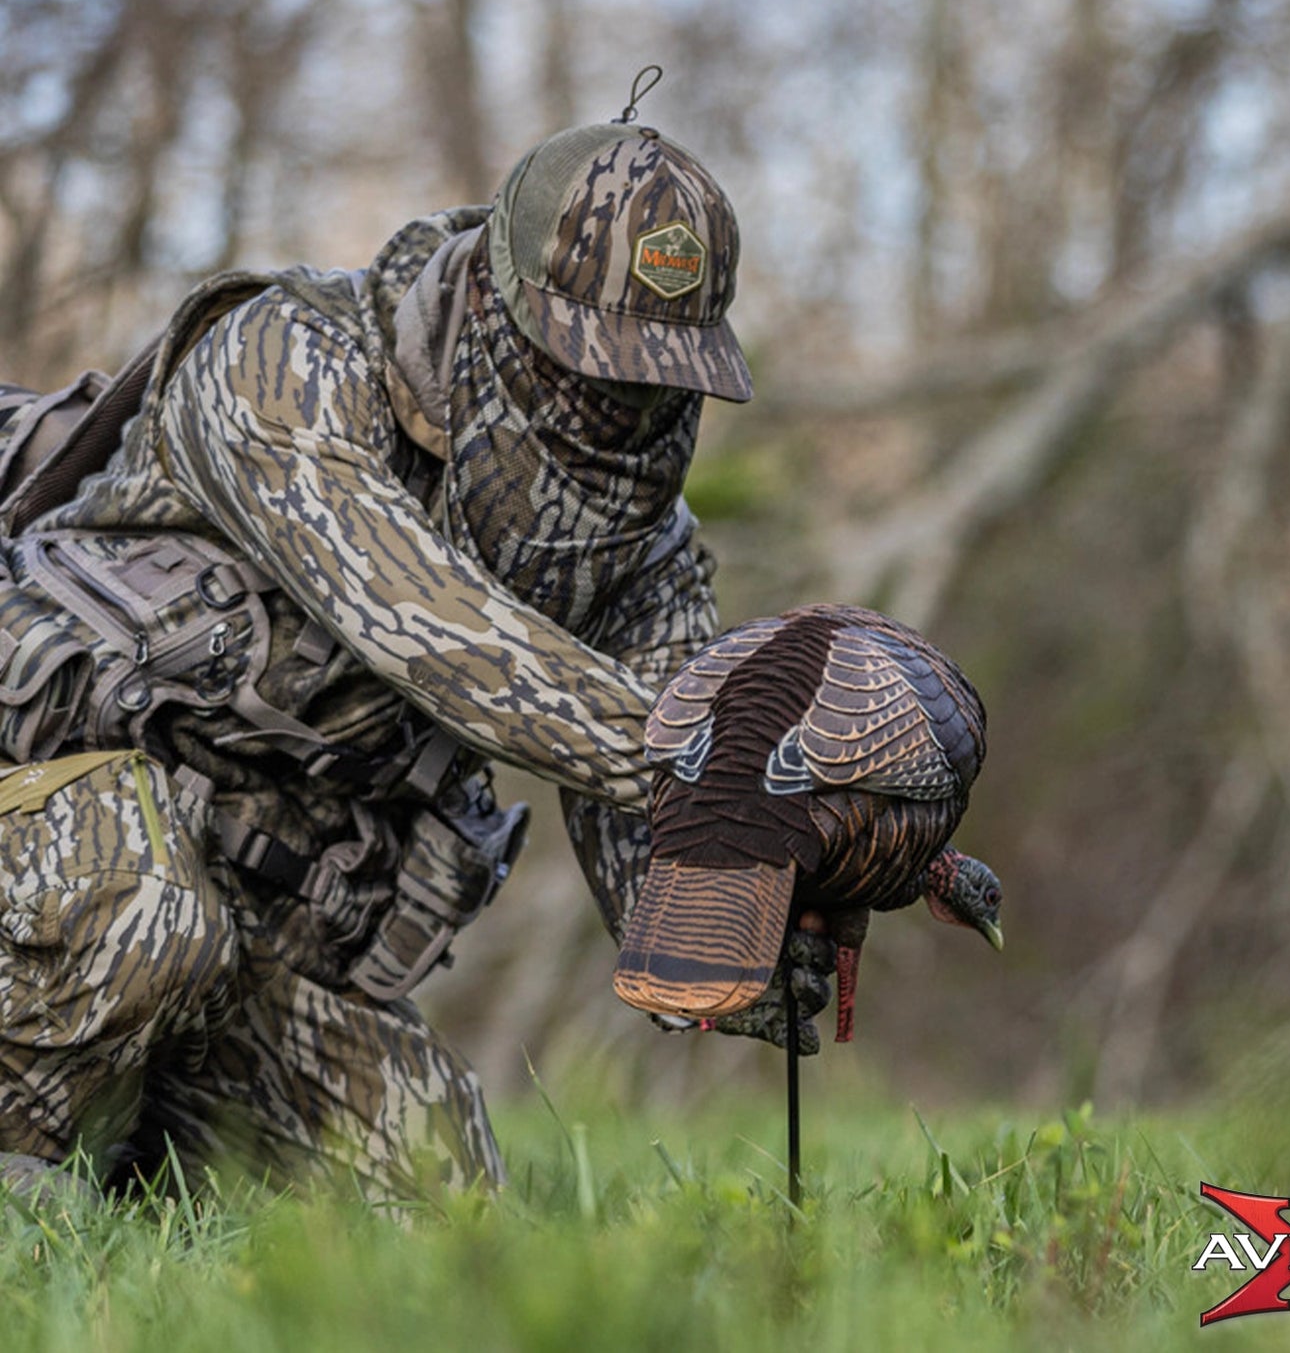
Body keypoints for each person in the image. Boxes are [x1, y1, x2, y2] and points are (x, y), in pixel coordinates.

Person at [0, 110, 832, 1204]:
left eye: (654, 378)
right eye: (594, 365)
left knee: (437, 1195)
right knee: (137, 903)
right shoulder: (277, 359)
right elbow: (434, 633)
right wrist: (723, 759)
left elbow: (658, 843)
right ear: (491, 297)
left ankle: (121, 1161)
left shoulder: (640, 551)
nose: (623, 408)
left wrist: (769, 908)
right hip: (62, 861)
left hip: (251, 946)